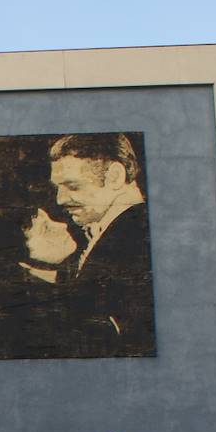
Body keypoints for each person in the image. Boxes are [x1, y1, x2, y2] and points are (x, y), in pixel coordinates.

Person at [45, 132, 155, 354]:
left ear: (114, 176)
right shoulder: (122, 233)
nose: (60, 199)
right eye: (58, 187)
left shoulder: (137, 238)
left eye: (72, 186)